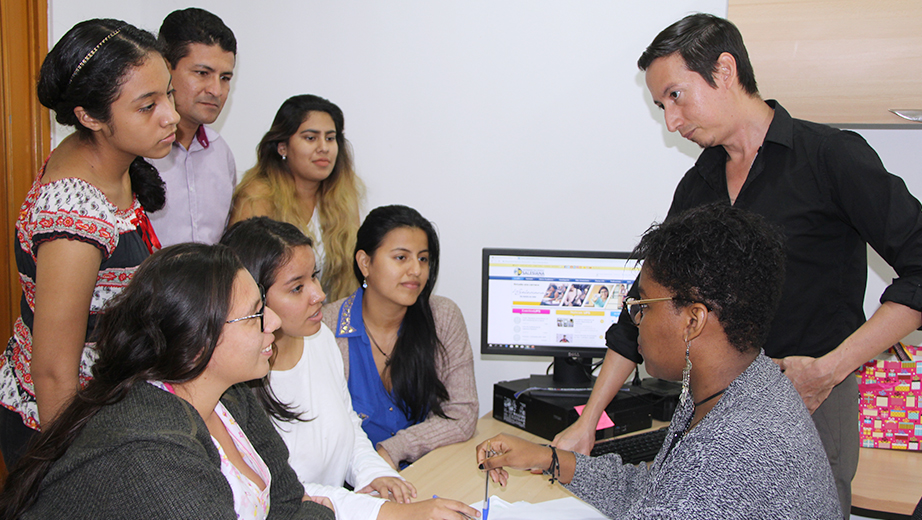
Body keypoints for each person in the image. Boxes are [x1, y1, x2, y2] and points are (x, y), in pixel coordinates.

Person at [552, 14, 922, 515]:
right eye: (662, 107)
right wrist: (588, 419)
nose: (672, 122)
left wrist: (830, 369)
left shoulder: (830, 157)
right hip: (716, 405)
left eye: (676, 97)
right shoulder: (698, 185)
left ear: (724, 71)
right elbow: (643, 304)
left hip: (810, 397)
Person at [479, 204, 841, 518]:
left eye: (643, 306)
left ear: (693, 321)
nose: (634, 319)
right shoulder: (739, 387)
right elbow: (655, 490)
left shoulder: (734, 457)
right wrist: (550, 459)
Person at [0, 243, 335, 520]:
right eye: (255, 314)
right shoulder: (150, 453)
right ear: (196, 344)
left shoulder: (230, 394)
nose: (273, 322)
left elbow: (288, 502)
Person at [0, 19, 178, 468]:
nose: (171, 115)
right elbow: (54, 370)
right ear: (90, 116)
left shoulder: (108, 162)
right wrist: (76, 471)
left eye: (169, 93)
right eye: (147, 106)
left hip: (104, 402)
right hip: (63, 421)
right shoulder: (73, 217)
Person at [221, 217, 480, 520]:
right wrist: (385, 511)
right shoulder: (239, 381)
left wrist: (375, 474)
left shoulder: (319, 339)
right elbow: (289, 492)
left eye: (314, 277)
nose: (319, 294)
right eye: (297, 288)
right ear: (253, 300)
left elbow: (349, 428)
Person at [323, 205, 478, 469]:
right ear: (365, 263)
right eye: (401, 258)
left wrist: (394, 449)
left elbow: (462, 414)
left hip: (424, 475)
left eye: (423, 259)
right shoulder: (326, 326)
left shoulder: (443, 317)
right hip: (351, 486)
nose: (416, 270)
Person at [231, 94, 364, 302]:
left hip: (325, 318)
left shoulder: (344, 198)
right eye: (311, 138)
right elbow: (244, 281)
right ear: (282, 146)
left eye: (330, 138)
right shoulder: (257, 196)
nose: (324, 147)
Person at [147, 7, 237, 247]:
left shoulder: (220, 153)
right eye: (202, 73)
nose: (216, 91)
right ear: (165, 69)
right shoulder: (136, 151)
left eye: (225, 78)